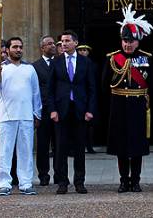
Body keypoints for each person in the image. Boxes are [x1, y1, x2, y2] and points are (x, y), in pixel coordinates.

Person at [107, 7, 153, 193]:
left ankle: (135, 180)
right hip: (118, 106)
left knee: (136, 147)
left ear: (138, 41)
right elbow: (106, 83)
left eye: (131, 41)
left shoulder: (146, 59)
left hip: (138, 106)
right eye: (125, 40)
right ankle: (123, 180)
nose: (127, 44)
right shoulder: (112, 59)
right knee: (121, 147)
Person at [0, 37, 41, 196]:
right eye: (15, 47)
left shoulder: (29, 68)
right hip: (6, 116)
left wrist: (37, 113)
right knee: (5, 150)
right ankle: (4, 183)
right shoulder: (0, 67)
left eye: (20, 47)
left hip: (26, 115)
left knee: (25, 150)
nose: (18, 50)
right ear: (8, 49)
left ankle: (25, 183)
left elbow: (35, 93)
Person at [48, 30, 98, 194]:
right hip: (61, 111)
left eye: (67, 41)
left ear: (75, 43)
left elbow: (92, 88)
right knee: (60, 148)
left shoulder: (86, 62)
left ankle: (79, 182)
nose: (64, 43)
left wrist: (90, 110)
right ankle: (62, 182)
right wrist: (53, 110)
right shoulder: (56, 62)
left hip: (80, 110)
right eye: (62, 41)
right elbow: (50, 89)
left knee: (79, 148)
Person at [32, 35, 58, 186]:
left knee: (58, 144)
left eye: (54, 43)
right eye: (49, 44)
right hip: (42, 111)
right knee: (42, 145)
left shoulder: (60, 63)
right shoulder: (35, 66)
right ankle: (43, 175)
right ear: (42, 48)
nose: (53, 46)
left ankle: (59, 173)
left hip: (58, 111)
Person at [77, 43, 98, 154]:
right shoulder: (75, 63)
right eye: (80, 50)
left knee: (90, 124)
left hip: (90, 97)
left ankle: (90, 146)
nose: (83, 52)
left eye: (85, 50)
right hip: (79, 97)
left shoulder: (93, 65)